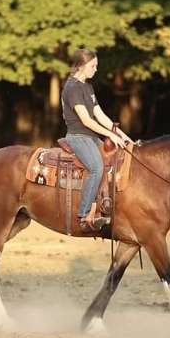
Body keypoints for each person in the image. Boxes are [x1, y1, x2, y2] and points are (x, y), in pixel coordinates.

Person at [61, 48, 133, 232]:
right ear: (82, 66)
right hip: (77, 137)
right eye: (93, 66)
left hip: (91, 137)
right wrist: (110, 135)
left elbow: (100, 116)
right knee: (97, 167)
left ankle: (106, 207)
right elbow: (85, 120)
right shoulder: (72, 88)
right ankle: (84, 215)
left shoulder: (87, 87)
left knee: (116, 160)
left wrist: (124, 137)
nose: (96, 69)